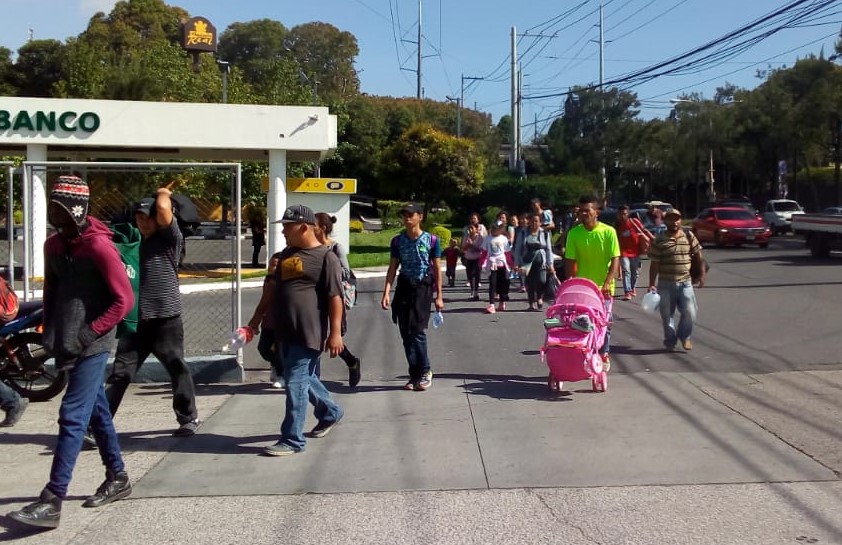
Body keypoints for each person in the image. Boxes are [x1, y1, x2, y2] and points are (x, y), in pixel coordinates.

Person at [8, 176, 134, 529]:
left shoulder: (99, 248)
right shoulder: (53, 246)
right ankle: (118, 477)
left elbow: (124, 300)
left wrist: (89, 332)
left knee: (72, 415)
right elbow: (52, 290)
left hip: (93, 344)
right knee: (96, 412)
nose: (57, 216)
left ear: (77, 209)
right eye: (54, 208)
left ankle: (52, 499)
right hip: (66, 342)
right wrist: (49, 331)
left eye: (63, 209)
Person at [96, 188, 200, 441]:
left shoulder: (170, 240)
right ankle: (97, 426)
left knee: (177, 367)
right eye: (139, 217)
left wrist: (163, 192)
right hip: (136, 322)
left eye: (147, 216)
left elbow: (164, 209)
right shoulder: (131, 243)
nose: (142, 221)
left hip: (166, 319)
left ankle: (188, 418)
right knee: (121, 374)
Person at [247, 204, 344, 456]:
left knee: (295, 384)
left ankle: (292, 440)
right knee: (301, 378)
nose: (283, 232)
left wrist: (336, 333)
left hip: (307, 332)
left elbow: (335, 297)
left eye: (287, 227)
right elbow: (272, 288)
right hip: (284, 331)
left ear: (303, 227)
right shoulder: (288, 254)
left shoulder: (326, 258)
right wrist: (256, 319)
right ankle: (331, 411)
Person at [381, 203, 444, 391]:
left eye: (411, 214)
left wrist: (439, 295)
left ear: (420, 217)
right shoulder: (397, 241)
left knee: (416, 330)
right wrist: (386, 291)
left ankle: (425, 370)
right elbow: (392, 268)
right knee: (405, 332)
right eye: (405, 215)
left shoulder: (432, 240)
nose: (407, 218)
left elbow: (436, 269)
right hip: (404, 287)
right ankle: (414, 374)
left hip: (423, 287)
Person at [564, 195, 620, 370]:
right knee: (581, 322)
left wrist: (607, 282)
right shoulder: (574, 234)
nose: (583, 213)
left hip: (603, 288)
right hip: (583, 289)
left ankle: (604, 353)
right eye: (581, 211)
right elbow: (569, 262)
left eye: (587, 210)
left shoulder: (608, 231)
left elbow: (615, 259)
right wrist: (571, 283)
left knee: (604, 323)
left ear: (597, 212)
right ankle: (583, 352)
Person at [313, 212, 362, 388]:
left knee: (333, 338)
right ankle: (313, 379)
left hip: (334, 298)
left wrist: (327, 268)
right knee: (316, 337)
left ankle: (351, 362)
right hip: (314, 299)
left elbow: (346, 273)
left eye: (314, 225)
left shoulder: (335, 248)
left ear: (323, 228)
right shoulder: (310, 247)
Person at [647, 209, 705, 351]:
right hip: (665, 284)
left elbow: (698, 255)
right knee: (667, 316)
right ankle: (670, 339)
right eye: (671, 219)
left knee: (690, 312)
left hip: (685, 282)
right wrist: (651, 284)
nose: (675, 222)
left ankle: (685, 336)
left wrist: (702, 274)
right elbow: (654, 263)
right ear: (665, 221)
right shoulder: (659, 239)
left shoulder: (688, 235)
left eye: (677, 219)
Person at [256, 252, 284, 389]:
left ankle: (281, 375)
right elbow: (264, 301)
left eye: (276, 265)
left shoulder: (285, 283)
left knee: (279, 350)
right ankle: (275, 365)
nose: (272, 267)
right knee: (264, 348)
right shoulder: (268, 280)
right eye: (271, 265)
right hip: (268, 322)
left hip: (282, 323)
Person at [615, 205, 654, 300]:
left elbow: (644, 230)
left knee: (635, 272)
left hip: (635, 251)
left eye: (624, 214)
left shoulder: (634, 222)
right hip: (623, 252)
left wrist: (653, 239)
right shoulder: (616, 226)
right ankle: (627, 292)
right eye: (620, 214)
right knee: (626, 271)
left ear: (627, 214)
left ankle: (632, 288)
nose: (622, 216)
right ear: (618, 215)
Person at [519, 213, 555, 311]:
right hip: (527, 260)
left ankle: (539, 296)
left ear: (540, 223)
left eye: (537, 221)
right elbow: (518, 248)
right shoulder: (523, 232)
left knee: (541, 280)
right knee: (529, 282)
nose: (534, 223)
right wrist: (517, 263)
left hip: (541, 260)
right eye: (533, 221)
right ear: (529, 222)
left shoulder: (544, 233)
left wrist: (550, 264)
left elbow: (548, 249)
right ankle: (531, 303)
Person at [482, 220, 511, 313]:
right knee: (492, 283)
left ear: (501, 229)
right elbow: (484, 252)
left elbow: (507, 253)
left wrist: (511, 263)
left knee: (502, 284)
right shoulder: (487, 238)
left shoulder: (503, 239)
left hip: (501, 263)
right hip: (492, 263)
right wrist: (482, 262)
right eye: (493, 227)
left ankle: (502, 302)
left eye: (497, 228)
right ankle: (492, 304)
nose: (494, 230)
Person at [461, 223, 483, 301]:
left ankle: (476, 293)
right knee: (470, 275)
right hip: (469, 258)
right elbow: (463, 248)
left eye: (472, 228)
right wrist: (467, 245)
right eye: (469, 228)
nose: (470, 230)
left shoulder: (480, 237)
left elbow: (481, 249)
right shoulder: (466, 237)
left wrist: (472, 245)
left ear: (476, 229)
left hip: (477, 258)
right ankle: (472, 291)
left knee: (476, 275)